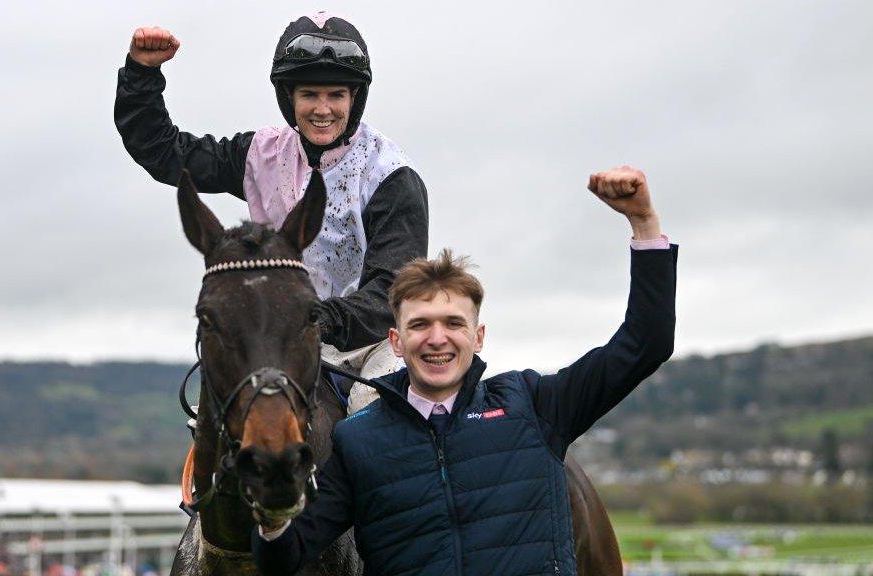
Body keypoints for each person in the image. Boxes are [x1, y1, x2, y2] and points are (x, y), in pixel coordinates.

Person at [251, 166, 677, 576]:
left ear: (478, 337)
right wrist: (271, 512)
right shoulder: (357, 441)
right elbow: (286, 557)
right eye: (420, 325)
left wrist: (643, 223)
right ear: (396, 342)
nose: (438, 338)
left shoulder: (535, 406)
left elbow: (645, 344)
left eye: (454, 323)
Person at [115, 13, 428, 412]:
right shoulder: (260, 154)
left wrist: (316, 318)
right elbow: (164, 153)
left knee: (372, 417)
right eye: (309, 95)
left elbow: (396, 291)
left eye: (336, 95)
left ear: (355, 99)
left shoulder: (391, 175)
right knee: (222, 408)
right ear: (288, 98)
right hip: (284, 333)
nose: (323, 109)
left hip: (376, 344)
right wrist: (142, 74)